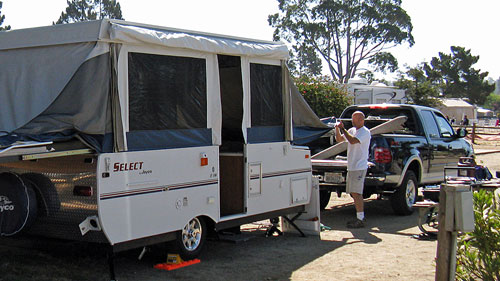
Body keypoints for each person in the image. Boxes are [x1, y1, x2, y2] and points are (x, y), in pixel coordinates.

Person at [335, 111, 371, 228]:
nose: (353, 121)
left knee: (357, 192)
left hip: (359, 166)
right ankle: (359, 216)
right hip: (352, 166)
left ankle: (361, 218)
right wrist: (337, 129)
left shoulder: (365, 132)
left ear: (362, 120)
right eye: (352, 119)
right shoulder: (351, 130)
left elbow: (353, 141)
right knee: (353, 192)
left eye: (355, 119)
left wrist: (343, 129)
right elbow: (340, 139)